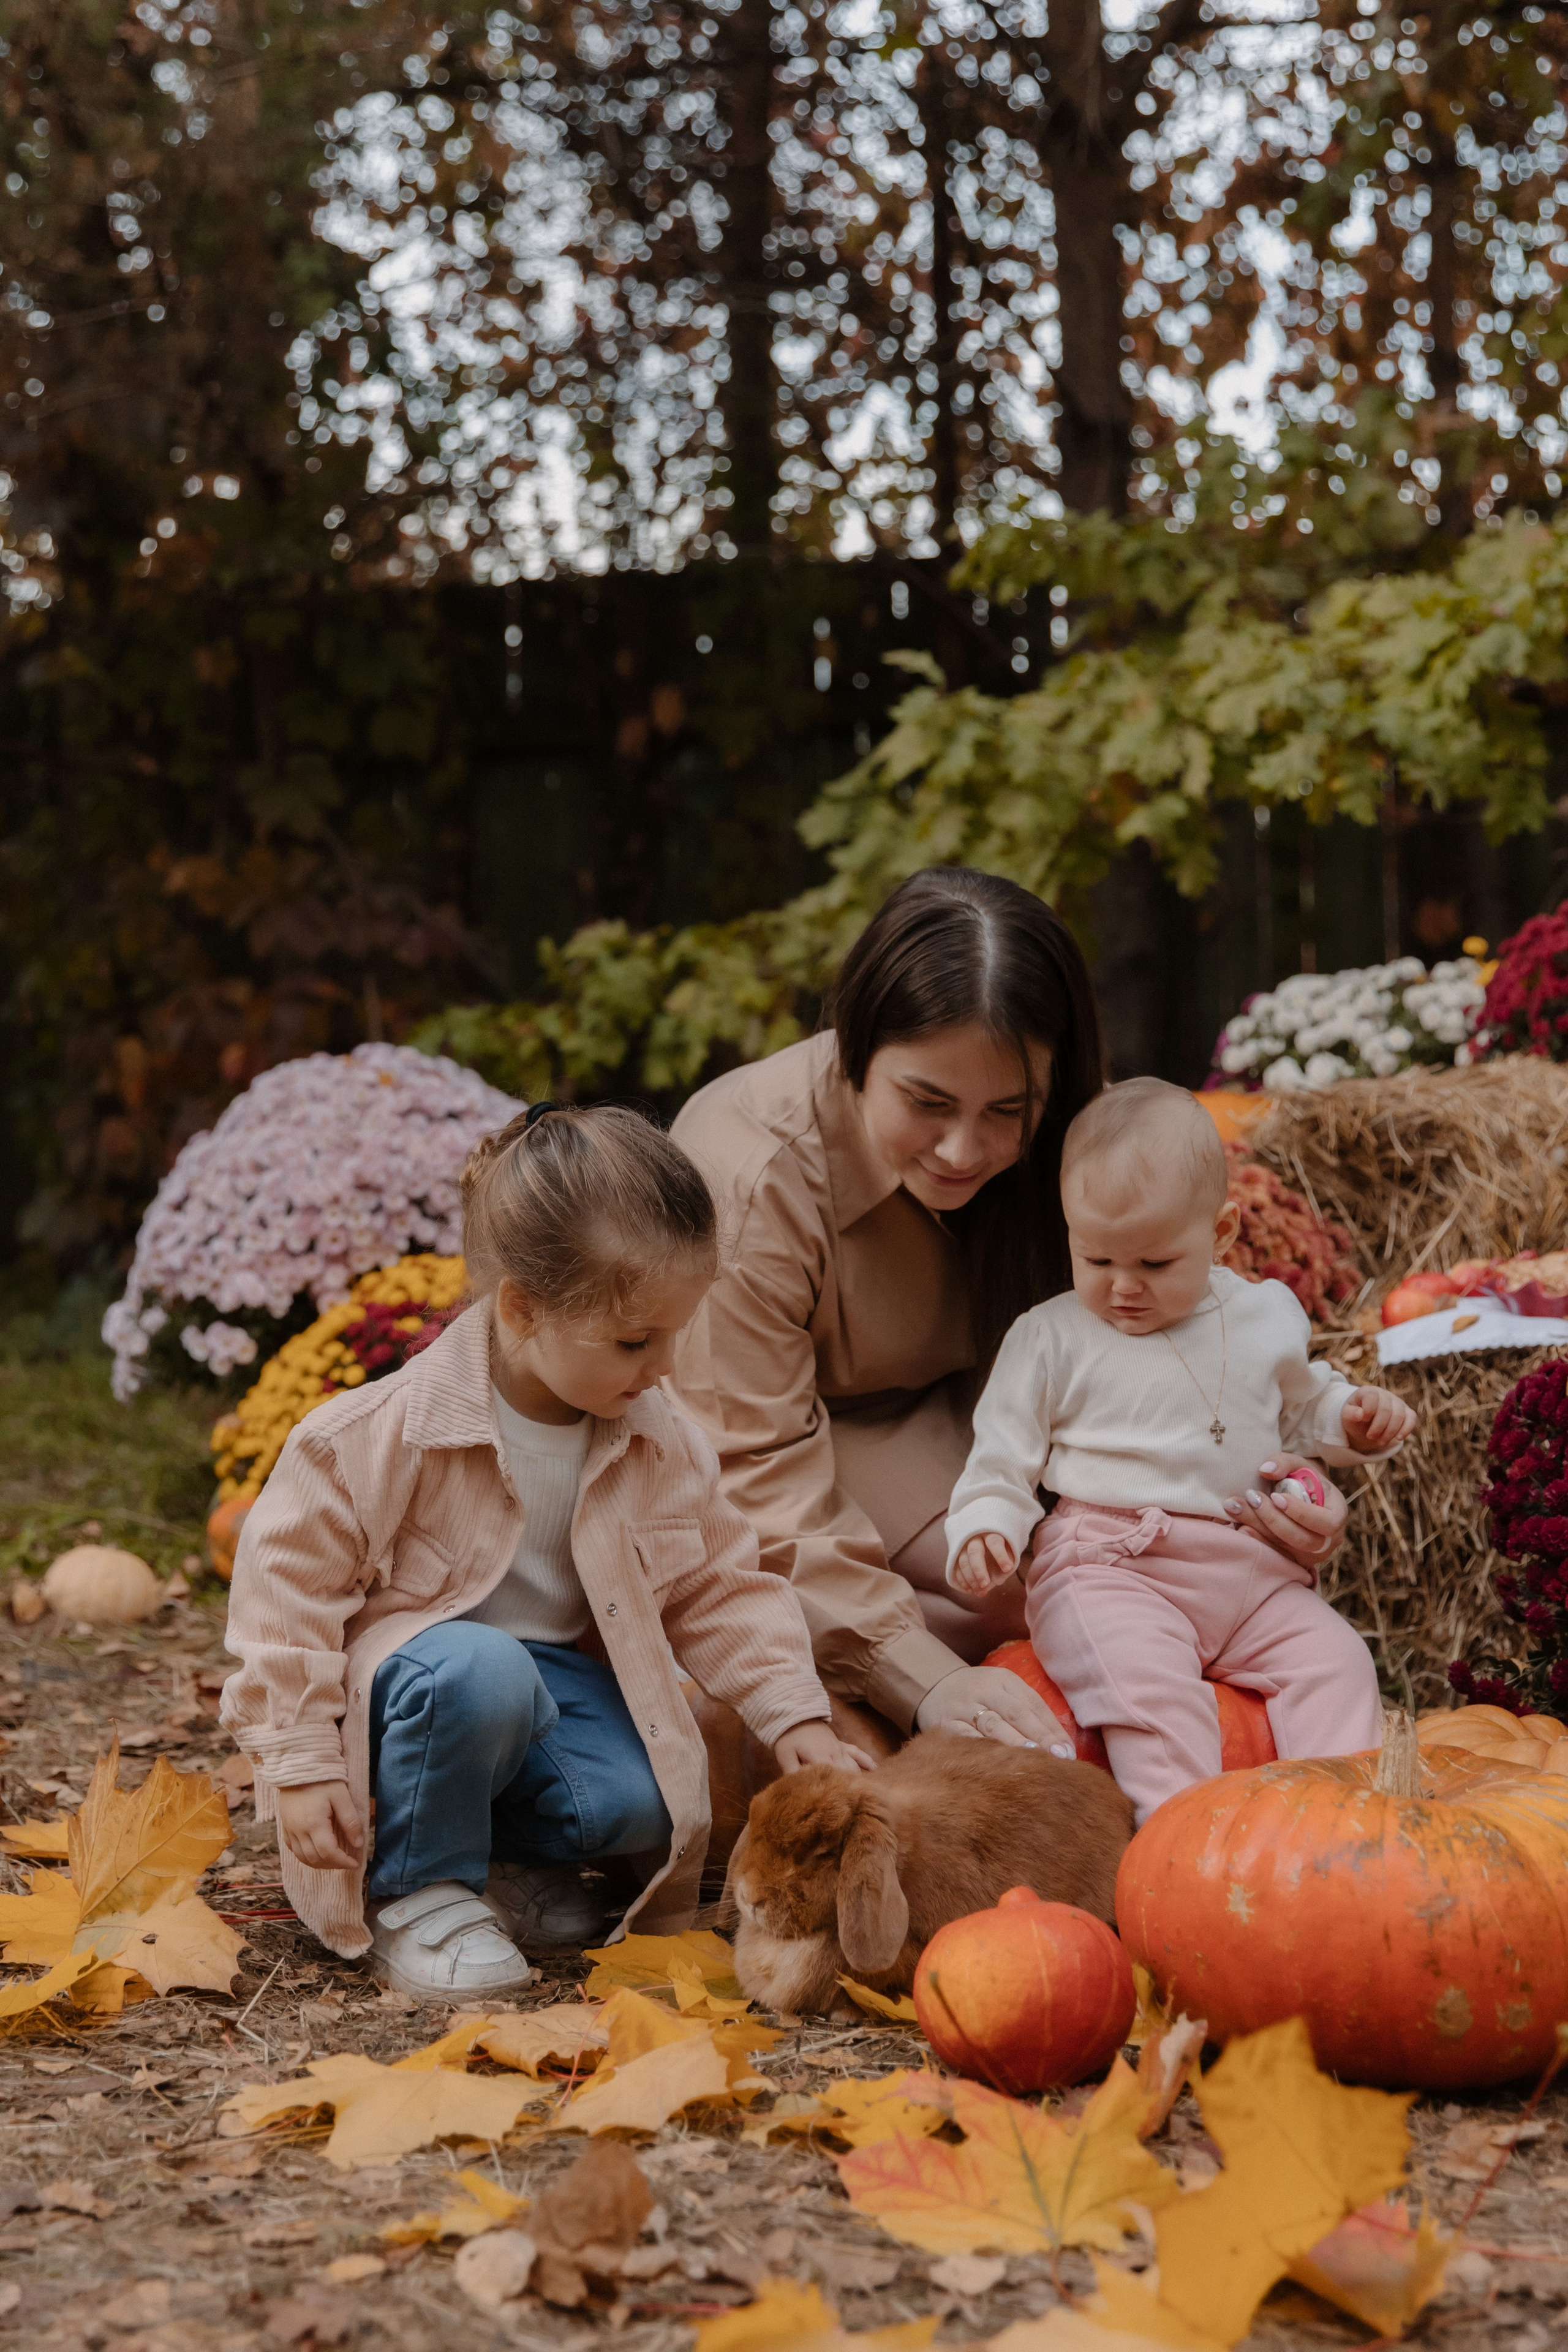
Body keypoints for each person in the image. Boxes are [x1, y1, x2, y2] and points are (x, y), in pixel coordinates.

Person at [671, 867, 1350, 1752]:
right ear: (855, 1047)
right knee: (1032, 1605)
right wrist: (927, 1681)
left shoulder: (1081, 1139)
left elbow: (1181, 1348)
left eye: (1007, 1110)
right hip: (785, 1448)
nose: (964, 1150)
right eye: (927, 1103)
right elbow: (748, 1468)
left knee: (1098, 1591)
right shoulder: (749, 1175)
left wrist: (1265, 1510)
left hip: (983, 1428)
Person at [221, 1102, 862, 2000]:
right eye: (637, 1340)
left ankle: (498, 1872)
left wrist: (794, 1714)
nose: (666, 1365)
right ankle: (420, 1888)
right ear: (522, 1308)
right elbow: (283, 1597)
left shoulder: (657, 1440)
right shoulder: (375, 1435)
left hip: (544, 1687)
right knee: (479, 1672)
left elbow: (720, 1586)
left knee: (646, 1801)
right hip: (415, 1690)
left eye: (679, 1333)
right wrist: (300, 1767)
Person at [946, 1077, 1415, 1820]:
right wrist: (986, 1526)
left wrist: (1350, 1423)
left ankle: (1337, 1828)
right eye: (1096, 1260)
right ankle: (1184, 1840)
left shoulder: (1263, 1316)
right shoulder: (1050, 1336)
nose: (1123, 1288)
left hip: (1249, 1572)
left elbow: (1300, 1414)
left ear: (1221, 1234)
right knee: (1151, 1690)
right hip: (1112, 1565)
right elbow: (1002, 1458)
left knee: (1337, 1662)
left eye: (1155, 1265)